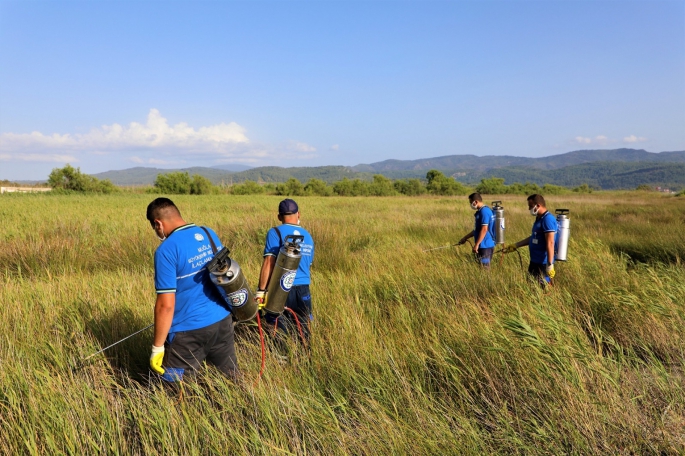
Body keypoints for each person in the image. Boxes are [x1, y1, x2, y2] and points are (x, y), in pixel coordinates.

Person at [146, 197, 238, 382]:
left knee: (173, 391)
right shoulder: (208, 233)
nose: (157, 231)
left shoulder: (166, 251)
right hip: (222, 322)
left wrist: (157, 348)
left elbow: (165, 305)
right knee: (230, 382)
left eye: (154, 227)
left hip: (187, 333)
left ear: (158, 223)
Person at [255, 198, 315, 343]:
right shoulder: (308, 236)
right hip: (304, 290)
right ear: (298, 214)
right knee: (304, 330)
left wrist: (261, 291)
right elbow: (308, 264)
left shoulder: (275, 232)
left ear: (279, 217)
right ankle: (306, 361)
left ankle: (281, 362)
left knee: (279, 332)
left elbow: (269, 262)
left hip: (281, 289)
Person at [502, 194, 558, 285]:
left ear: (538, 205)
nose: (529, 209)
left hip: (543, 263)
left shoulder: (548, 219)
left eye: (531, 206)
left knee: (543, 289)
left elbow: (550, 243)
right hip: (534, 261)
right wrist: (516, 245)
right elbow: (534, 237)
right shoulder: (539, 218)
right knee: (531, 287)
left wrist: (550, 264)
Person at [457, 193, 496, 267]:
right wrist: (465, 238)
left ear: (475, 202)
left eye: (471, 203)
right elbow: (477, 230)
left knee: (485, 267)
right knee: (480, 267)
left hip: (485, 247)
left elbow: (484, 229)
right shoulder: (480, 211)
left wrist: (477, 244)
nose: (471, 205)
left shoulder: (484, 212)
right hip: (481, 246)